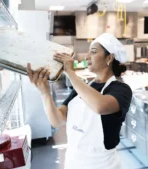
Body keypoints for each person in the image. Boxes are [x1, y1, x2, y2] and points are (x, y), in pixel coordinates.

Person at [27, 33, 132, 169]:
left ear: (109, 57)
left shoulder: (121, 89)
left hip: (103, 164)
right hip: (74, 161)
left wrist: (70, 73)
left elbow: (100, 106)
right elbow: (57, 120)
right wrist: (44, 92)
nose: (87, 57)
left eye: (93, 52)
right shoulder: (82, 88)